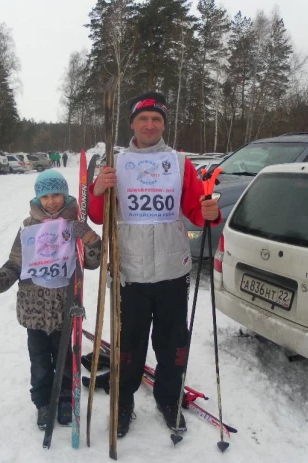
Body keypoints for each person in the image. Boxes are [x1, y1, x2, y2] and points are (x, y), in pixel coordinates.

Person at [88, 91, 220, 438]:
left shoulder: (178, 162)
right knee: (128, 346)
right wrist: (100, 188)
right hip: (129, 273)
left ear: (164, 124)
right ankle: (123, 401)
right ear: (132, 123)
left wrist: (209, 211)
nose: (150, 125)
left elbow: (195, 209)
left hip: (172, 272)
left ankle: (168, 397)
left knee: (172, 345)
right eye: (143, 119)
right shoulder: (115, 162)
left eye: (156, 119)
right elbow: (99, 217)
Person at [0, 170, 102, 430]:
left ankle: (66, 399)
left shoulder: (74, 225)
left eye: (56, 194)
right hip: (33, 311)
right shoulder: (29, 228)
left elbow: (92, 262)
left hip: (64, 310)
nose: (52, 201)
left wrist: (90, 239)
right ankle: (43, 403)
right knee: (40, 363)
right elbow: (14, 264)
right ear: (38, 198)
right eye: (45, 196)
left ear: (65, 195)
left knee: (66, 359)